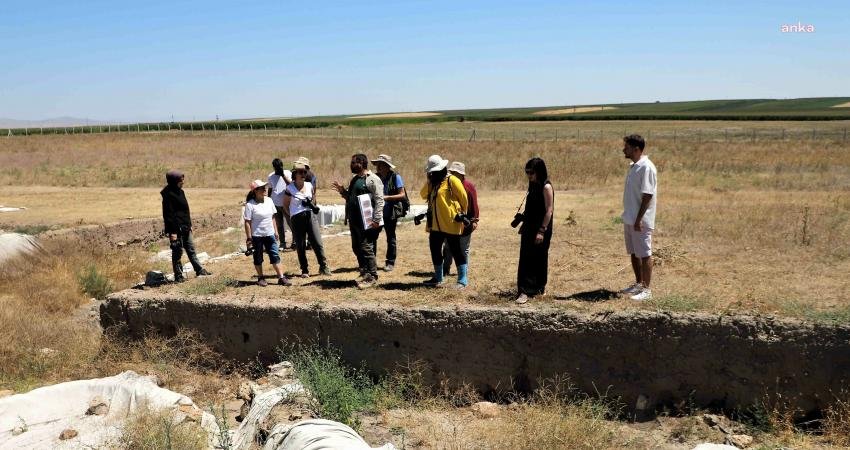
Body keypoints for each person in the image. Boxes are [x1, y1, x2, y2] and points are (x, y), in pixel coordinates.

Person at [331, 154, 384, 289]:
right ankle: (365, 272)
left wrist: (376, 219)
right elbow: (350, 197)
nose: (351, 165)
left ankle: (372, 276)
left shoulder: (372, 179)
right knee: (356, 247)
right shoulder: (355, 179)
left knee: (366, 248)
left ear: (362, 163)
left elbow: (379, 200)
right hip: (354, 221)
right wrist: (342, 191)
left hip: (367, 221)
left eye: (354, 162)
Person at [419, 154, 469, 288]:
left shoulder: (452, 180)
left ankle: (462, 280)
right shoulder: (434, 183)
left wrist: (461, 214)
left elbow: (464, 198)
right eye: (430, 172)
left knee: (456, 250)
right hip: (435, 225)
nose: (432, 174)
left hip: (451, 223)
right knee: (435, 249)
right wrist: (429, 181)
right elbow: (423, 194)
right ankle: (438, 278)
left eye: (433, 172)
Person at [619, 134, 658, 301]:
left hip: (640, 221)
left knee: (645, 253)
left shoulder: (647, 167)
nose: (623, 150)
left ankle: (647, 290)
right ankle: (638, 284)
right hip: (630, 218)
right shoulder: (634, 166)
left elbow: (647, 195)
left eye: (626, 147)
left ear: (636, 149)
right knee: (634, 253)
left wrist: (638, 219)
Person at [161, 169, 211, 282]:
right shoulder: (168, 195)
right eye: (181, 180)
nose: (183, 182)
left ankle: (199, 270)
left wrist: (189, 224)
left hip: (185, 226)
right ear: (174, 181)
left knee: (191, 249)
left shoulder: (180, 191)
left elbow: (185, 210)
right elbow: (168, 215)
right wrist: (172, 232)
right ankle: (178, 276)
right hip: (176, 228)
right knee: (177, 251)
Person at [515, 157, 554, 304]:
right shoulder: (532, 185)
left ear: (539, 171)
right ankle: (523, 290)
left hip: (541, 227)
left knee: (540, 257)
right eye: (527, 173)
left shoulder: (546, 187)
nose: (529, 176)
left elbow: (549, 211)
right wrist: (524, 225)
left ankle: (538, 287)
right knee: (525, 258)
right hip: (529, 226)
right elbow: (530, 207)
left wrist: (541, 231)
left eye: (531, 172)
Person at [284, 162, 331, 277]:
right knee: (300, 245)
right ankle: (304, 270)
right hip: (296, 218)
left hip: (310, 216)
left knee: (317, 242)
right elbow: (285, 205)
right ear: (295, 174)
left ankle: (323, 267)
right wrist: (293, 216)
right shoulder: (289, 188)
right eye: (300, 172)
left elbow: (313, 199)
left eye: (305, 172)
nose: (303, 174)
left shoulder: (309, 185)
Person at [244, 179, 291, 287]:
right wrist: (249, 238)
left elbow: (273, 217)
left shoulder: (269, 200)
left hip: (270, 234)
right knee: (258, 257)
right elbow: (247, 222)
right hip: (257, 236)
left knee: (275, 255)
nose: (265, 189)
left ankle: (281, 277)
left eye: (264, 187)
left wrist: (276, 231)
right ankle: (260, 278)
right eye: (261, 188)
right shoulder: (250, 205)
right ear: (255, 191)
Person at [371, 154, 408, 272]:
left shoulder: (396, 177)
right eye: (377, 165)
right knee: (372, 237)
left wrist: (386, 198)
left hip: (390, 213)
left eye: (380, 165)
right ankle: (372, 262)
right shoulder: (374, 177)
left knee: (390, 237)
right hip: (377, 212)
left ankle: (390, 262)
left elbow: (402, 194)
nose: (378, 167)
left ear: (387, 166)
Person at [442, 161, 479, 276]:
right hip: (450, 223)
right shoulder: (447, 185)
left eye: (455, 173)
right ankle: (445, 269)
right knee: (447, 247)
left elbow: (474, 205)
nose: (453, 175)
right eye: (452, 173)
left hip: (466, 222)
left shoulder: (468, 187)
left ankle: (463, 272)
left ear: (462, 175)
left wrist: (474, 220)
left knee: (463, 248)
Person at [268, 158, 293, 251]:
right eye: (277, 168)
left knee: (291, 223)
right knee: (279, 225)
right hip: (276, 204)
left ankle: (295, 242)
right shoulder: (271, 176)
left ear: (282, 166)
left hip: (287, 204)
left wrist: (282, 175)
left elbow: (291, 185)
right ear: (274, 168)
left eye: (280, 167)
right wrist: (268, 201)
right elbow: (270, 189)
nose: (278, 169)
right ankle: (282, 243)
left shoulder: (287, 173)